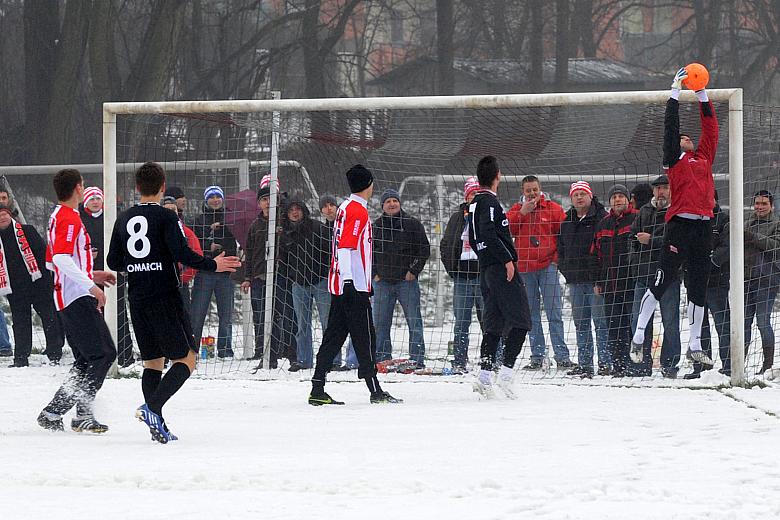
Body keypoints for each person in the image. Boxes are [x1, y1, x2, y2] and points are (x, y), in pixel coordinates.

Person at [107, 162, 240, 443]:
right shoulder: (168, 218)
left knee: (153, 363)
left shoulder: (123, 218)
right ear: (163, 186)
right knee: (188, 359)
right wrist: (212, 264)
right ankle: (152, 408)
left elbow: (113, 261)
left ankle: (158, 424)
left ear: (136, 188)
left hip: (137, 297)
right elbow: (182, 252)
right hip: (164, 296)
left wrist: (139, 264)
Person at [631, 67, 719, 368]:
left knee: (698, 286)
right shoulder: (674, 160)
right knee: (663, 280)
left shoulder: (704, 157)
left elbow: (711, 129)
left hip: (704, 226)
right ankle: (639, 333)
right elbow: (671, 128)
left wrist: (702, 94)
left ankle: (695, 344)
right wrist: (674, 92)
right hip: (679, 225)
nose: (686, 139)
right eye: (682, 138)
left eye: (687, 138)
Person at [308, 164, 401, 405]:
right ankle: (375, 390)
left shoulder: (345, 207)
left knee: (334, 336)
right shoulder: (357, 211)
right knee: (364, 336)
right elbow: (346, 246)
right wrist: (350, 282)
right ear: (368, 184)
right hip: (352, 287)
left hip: (340, 284)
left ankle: (317, 388)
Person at [37, 169, 117, 434]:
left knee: (86, 358)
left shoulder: (57, 216)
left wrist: (91, 273)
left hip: (68, 294)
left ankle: (54, 412)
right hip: (75, 297)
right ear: (79, 188)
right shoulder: (69, 217)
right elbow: (59, 259)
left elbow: (52, 261)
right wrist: (91, 287)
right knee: (104, 354)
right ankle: (80, 412)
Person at [468, 156, 531, 398]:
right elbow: (488, 234)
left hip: (487, 270)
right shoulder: (490, 203)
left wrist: (487, 260)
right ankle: (505, 374)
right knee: (522, 320)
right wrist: (506, 260)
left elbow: (475, 239)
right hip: (500, 268)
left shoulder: (474, 203)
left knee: (493, 324)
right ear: (498, 176)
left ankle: (484, 376)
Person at [507, 175, 572, 370]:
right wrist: (522, 214)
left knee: (554, 313)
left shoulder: (553, 208)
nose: (532, 193)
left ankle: (562, 355)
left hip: (547, 267)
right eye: (528, 190)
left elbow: (565, 233)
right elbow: (507, 230)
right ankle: (537, 355)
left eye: (534, 189)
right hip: (525, 269)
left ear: (539, 188)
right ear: (523, 191)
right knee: (530, 314)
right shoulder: (516, 210)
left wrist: (555, 260)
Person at [628, 175, 681, 378]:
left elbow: (676, 240)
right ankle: (640, 365)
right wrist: (635, 262)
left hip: (668, 276)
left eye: (665, 187)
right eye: (658, 188)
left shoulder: (677, 213)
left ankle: (670, 365)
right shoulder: (644, 211)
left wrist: (652, 241)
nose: (661, 191)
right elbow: (632, 237)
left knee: (671, 321)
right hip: (643, 274)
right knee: (639, 320)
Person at [372, 188, 430, 368]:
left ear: (399, 203)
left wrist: (413, 271)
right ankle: (382, 358)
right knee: (380, 324)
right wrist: (374, 273)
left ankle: (417, 358)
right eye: (388, 201)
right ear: (382, 206)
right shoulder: (376, 226)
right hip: (382, 283)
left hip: (407, 282)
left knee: (414, 321)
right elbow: (368, 252)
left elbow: (424, 250)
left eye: (394, 201)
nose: (391, 204)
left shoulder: (412, 224)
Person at [79, 186, 136, 367]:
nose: (95, 202)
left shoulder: (114, 219)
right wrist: (88, 254)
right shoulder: (79, 220)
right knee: (92, 315)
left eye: (98, 198)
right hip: (90, 275)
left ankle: (125, 355)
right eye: (91, 199)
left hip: (112, 274)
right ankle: (93, 356)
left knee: (119, 312)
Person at [557, 181, 610, 378]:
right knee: (581, 323)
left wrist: (600, 278)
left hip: (595, 281)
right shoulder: (567, 221)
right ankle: (585, 363)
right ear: (571, 198)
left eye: (582, 194)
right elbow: (560, 249)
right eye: (576, 194)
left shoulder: (602, 218)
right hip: (575, 281)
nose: (579, 197)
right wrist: (566, 270)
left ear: (590, 196)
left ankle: (606, 362)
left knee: (600, 322)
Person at [0, 206, 63, 367]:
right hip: (14, 288)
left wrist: (46, 279)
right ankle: (21, 358)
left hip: (38, 282)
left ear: (11, 216)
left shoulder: (27, 231)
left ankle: (54, 352)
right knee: (20, 322)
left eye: (4, 215)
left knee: (48, 317)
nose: (2, 218)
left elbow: (43, 253)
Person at [279, 196, 333, 371]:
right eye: (291, 210)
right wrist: (292, 278)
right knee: (302, 325)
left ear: (304, 211)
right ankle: (304, 360)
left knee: (328, 323)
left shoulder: (318, 227)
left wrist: (325, 273)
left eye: (298, 209)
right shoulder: (284, 233)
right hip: (299, 284)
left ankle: (331, 360)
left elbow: (330, 251)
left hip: (321, 282)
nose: (295, 213)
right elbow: (284, 260)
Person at [592, 184, 639, 377]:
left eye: (620, 196)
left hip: (631, 283)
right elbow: (596, 256)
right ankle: (618, 365)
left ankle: (635, 365)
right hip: (609, 285)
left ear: (628, 199)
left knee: (633, 326)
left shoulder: (636, 218)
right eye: (614, 197)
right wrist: (598, 281)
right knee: (613, 326)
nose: (617, 200)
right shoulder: (603, 223)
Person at [440, 176, 484, 373]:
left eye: (477, 193)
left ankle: (493, 359)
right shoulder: (457, 218)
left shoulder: (488, 214)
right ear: (466, 196)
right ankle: (459, 360)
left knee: (489, 321)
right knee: (461, 323)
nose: (474, 197)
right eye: (472, 194)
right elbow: (445, 245)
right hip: (462, 278)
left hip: (484, 277)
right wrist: (453, 268)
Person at [190, 185, 238, 358]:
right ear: (206, 199)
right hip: (205, 272)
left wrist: (223, 228)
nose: (215, 199)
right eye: (211, 196)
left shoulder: (231, 219)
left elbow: (235, 242)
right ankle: (193, 348)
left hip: (226, 273)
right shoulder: (198, 220)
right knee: (197, 313)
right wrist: (208, 246)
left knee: (226, 315)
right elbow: (192, 246)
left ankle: (225, 350)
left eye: (218, 196)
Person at [743, 190, 780, 374]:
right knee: (743, 322)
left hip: (767, 279)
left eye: (764, 204)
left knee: (762, 321)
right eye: (757, 203)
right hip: (745, 278)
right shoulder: (746, 223)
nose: (759, 207)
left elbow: (776, 247)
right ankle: (737, 363)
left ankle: (767, 365)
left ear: (771, 206)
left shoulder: (777, 224)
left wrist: (754, 237)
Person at [242, 185, 272, 363]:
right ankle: (260, 349)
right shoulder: (255, 225)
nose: (268, 202)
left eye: (270, 199)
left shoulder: (282, 221)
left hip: (278, 278)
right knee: (259, 315)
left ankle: (281, 349)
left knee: (279, 315)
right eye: (264, 199)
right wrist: (247, 277)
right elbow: (250, 253)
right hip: (259, 277)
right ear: (259, 203)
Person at [162, 195, 202, 315]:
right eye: (166, 209)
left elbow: (197, 256)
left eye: (172, 209)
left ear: (177, 212)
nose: (169, 212)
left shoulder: (187, 233)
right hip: (159, 284)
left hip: (180, 285)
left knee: (182, 319)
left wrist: (182, 278)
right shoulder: (151, 232)